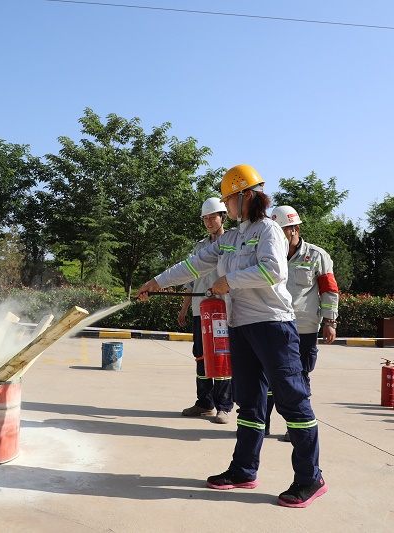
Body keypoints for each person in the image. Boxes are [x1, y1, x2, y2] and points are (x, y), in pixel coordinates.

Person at [136, 164, 326, 508]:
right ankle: (243, 470)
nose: (226, 205)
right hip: (240, 327)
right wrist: (156, 282)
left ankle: (310, 477)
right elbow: (194, 265)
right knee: (250, 401)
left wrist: (229, 281)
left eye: (229, 198)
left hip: (273, 326)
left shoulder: (269, 230)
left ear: (246, 195)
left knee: (291, 400)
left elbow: (272, 270)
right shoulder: (231, 238)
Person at [266, 205, 339, 441]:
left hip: (304, 329)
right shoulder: (267, 254)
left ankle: (296, 427)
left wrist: (330, 321)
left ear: (295, 229)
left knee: (299, 377)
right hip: (272, 324)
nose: (278, 236)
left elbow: (329, 290)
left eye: (283, 230)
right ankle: (261, 425)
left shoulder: (317, 256)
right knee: (266, 377)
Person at [177, 198, 234, 424]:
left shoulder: (232, 243)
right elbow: (190, 281)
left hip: (223, 312)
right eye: (206, 219)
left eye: (213, 217)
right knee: (200, 357)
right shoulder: (199, 247)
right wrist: (183, 310)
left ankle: (224, 406)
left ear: (223, 217)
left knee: (221, 358)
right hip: (199, 311)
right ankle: (204, 403)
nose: (209, 222)